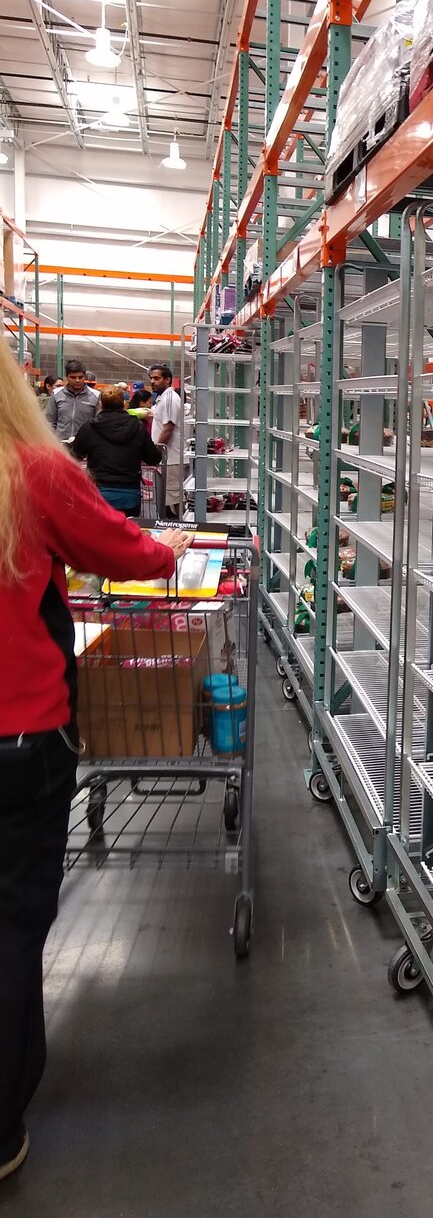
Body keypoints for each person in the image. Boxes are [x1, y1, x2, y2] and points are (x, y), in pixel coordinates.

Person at [0, 340, 193, 1183]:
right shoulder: (33, 472)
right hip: (21, 741)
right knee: (10, 928)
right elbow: (122, 550)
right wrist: (168, 552)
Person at [71, 387, 163, 518]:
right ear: (123, 403)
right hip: (130, 494)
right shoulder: (137, 427)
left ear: (101, 404)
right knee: (128, 532)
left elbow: (76, 454)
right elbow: (153, 458)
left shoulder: (90, 427)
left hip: (99, 493)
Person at [148, 364, 183, 519]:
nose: (153, 382)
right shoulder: (163, 398)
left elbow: (168, 428)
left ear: (168, 380)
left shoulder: (169, 398)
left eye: (157, 378)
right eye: (151, 379)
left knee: (174, 498)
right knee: (168, 498)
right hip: (165, 459)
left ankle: (182, 526)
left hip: (171, 459)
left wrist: (156, 452)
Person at [45, 362, 99, 445]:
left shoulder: (96, 396)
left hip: (85, 445)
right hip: (60, 444)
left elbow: (98, 425)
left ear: (84, 377)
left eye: (80, 377)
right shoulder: (56, 394)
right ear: (67, 377)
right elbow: (50, 421)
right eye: (73, 377)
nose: (77, 380)